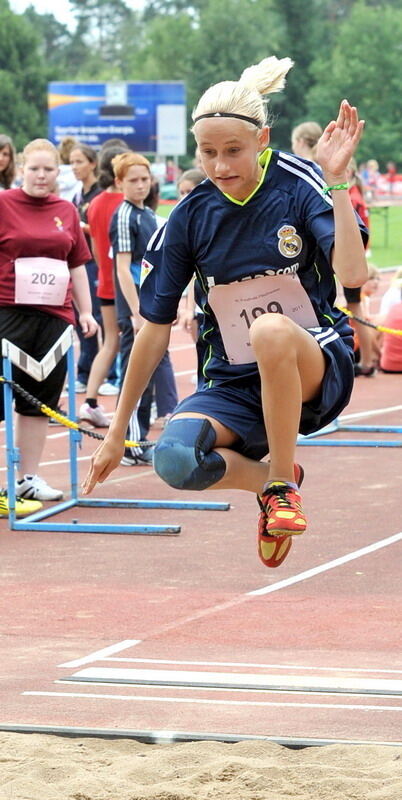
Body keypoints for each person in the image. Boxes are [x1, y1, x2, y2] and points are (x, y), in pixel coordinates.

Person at [83, 56, 368, 570]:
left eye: (233, 151)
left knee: (271, 330)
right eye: (207, 153)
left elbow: (352, 273)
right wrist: (118, 429)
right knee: (175, 459)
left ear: (262, 141)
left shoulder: (298, 182)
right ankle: (275, 483)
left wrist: (339, 181)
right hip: (234, 379)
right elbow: (153, 328)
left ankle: (280, 485)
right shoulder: (191, 216)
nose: (219, 167)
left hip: (314, 363)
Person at [0, 138, 97, 512]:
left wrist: (85, 312)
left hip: (54, 317)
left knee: (39, 401)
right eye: (35, 169)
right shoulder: (5, 204)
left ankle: (28, 478)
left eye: (49, 169)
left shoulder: (66, 210)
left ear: (59, 173)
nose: (41, 176)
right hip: (9, 312)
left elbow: (77, 265)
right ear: (23, 168)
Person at [109, 152, 177, 464]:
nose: (140, 186)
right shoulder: (124, 215)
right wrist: (136, 310)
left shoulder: (147, 213)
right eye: (133, 180)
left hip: (151, 299)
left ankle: (139, 439)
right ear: (119, 183)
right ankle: (128, 442)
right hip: (135, 302)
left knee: (150, 368)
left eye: (144, 180)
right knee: (135, 369)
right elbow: (123, 267)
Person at [80, 144, 129, 427]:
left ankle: (90, 401)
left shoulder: (96, 203)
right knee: (135, 344)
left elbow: (97, 249)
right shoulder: (125, 202)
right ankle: (134, 406)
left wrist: (104, 272)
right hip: (127, 283)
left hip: (106, 280)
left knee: (109, 342)